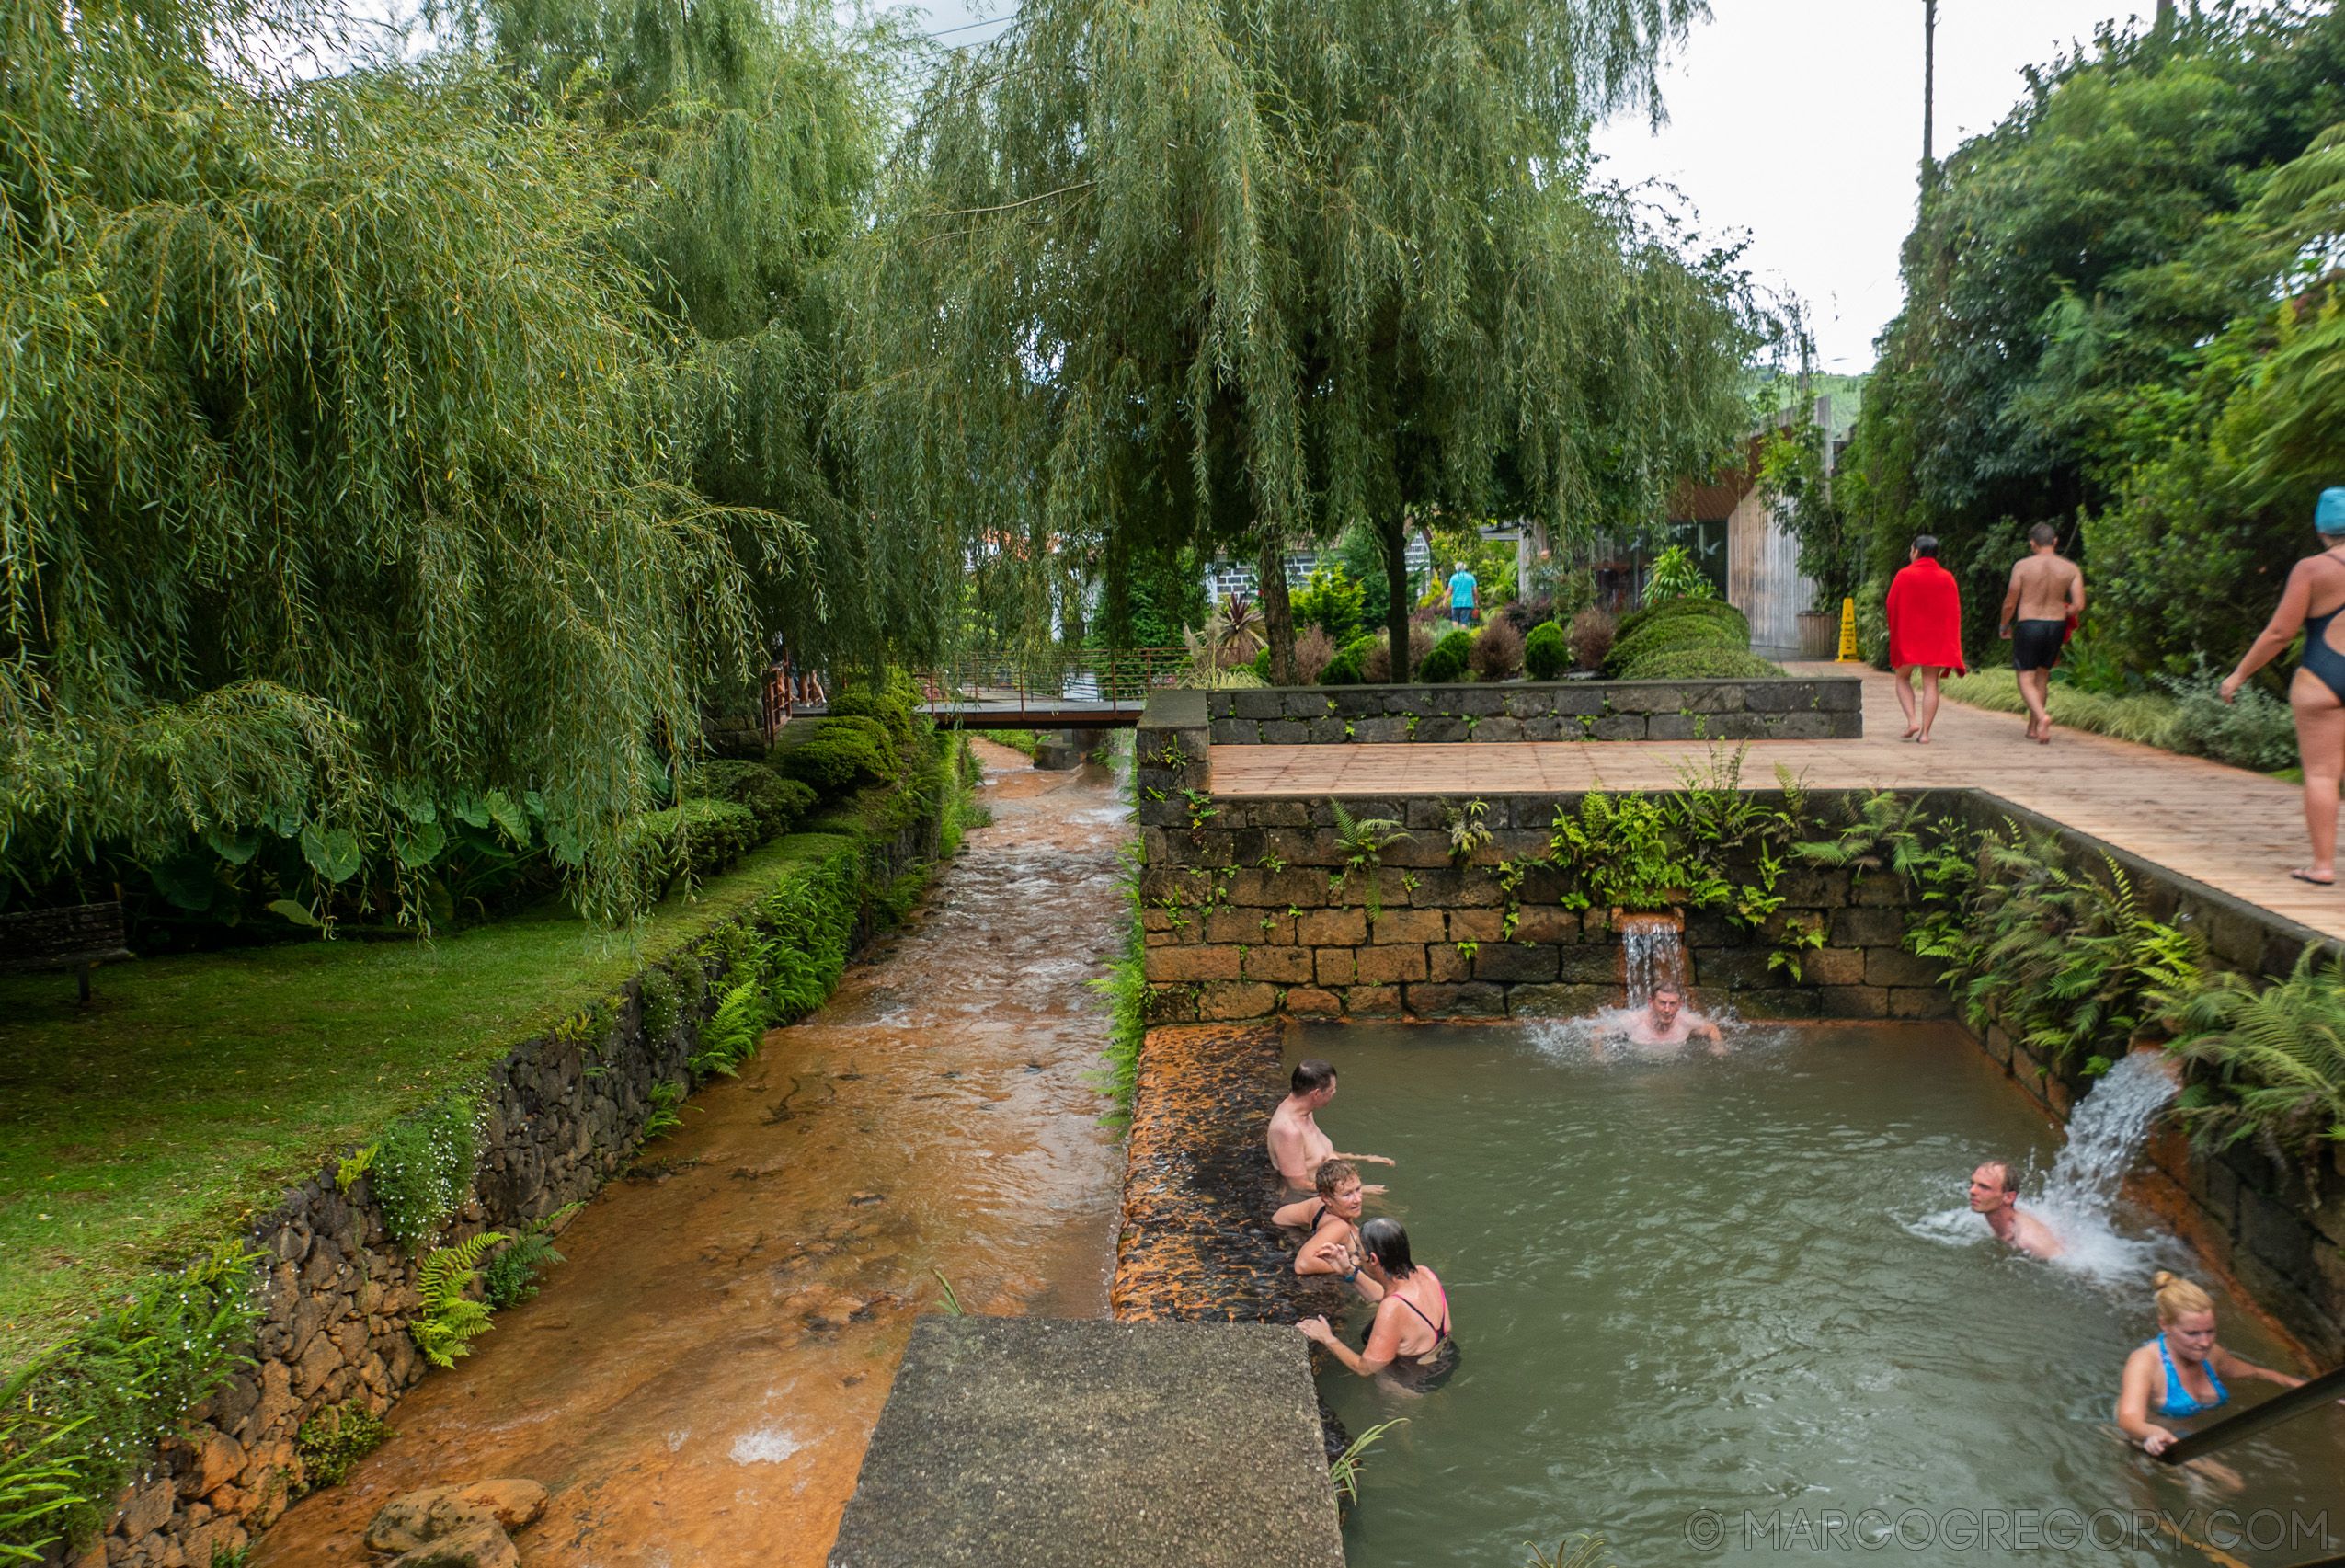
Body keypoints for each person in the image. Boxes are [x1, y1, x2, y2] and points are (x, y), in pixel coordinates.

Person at [2221, 486, 2345, 886]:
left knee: (2323, 775)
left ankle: (2322, 867)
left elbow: (2279, 633)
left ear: (2320, 528)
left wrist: (2239, 674)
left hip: (2322, 676)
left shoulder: (2311, 569)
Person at [2115, 1272, 2305, 1455]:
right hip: (2151, 1439)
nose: (2205, 1343)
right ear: (2164, 1325)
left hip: (2192, 1436)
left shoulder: (2213, 1355)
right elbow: (2129, 1419)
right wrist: (2152, 1433)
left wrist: (2302, 1386)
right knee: (2230, 1482)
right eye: (2192, 1333)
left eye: (2210, 1331)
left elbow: (2257, 1373)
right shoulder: (2144, 1362)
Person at [1298, 1219, 1454, 1384]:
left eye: (1358, 1251)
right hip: (1443, 1360)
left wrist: (1326, 1337)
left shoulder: (1393, 1307)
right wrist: (1348, 1270)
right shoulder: (1425, 1274)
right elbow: (1386, 1295)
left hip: (1408, 1383)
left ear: (1373, 1259)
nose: (1357, 1255)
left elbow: (1365, 1368)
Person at [1997, 522, 2087, 745]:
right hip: (2055, 626)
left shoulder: (2022, 566)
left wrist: (2004, 625)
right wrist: (2062, 612)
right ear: (2055, 542)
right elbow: (2078, 605)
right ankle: (2033, 729)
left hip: (2030, 625)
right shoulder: (2070, 568)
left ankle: (2042, 717)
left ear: (2033, 543)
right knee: (2042, 677)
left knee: (2025, 679)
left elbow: (2011, 600)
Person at [1885, 535, 1967, 744]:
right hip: (1936, 638)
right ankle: (1925, 733)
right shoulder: (1947, 577)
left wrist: (1896, 629)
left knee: (1902, 678)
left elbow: (1891, 605)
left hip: (1909, 635)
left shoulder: (1904, 575)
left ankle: (1912, 721)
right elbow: (1954, 611)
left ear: (1915, 551)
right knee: (1931, 683)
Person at [1266, 1059, 1392, 1195]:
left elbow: (1318, 1153)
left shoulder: (1304, 1111)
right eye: (1331, 1089)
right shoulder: (1289, 1132)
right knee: (1394, 1211)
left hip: (1337, 1186)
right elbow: (1298, 1185)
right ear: (1316, 1094)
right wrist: (1354, 1190)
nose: (1335, 1092)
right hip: (1315, 1197)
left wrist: (1363, 1157)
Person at [1275, 1159, 1367, 1280]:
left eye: (1358, 1189)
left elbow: (1279, 1217)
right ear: (1326, 1198)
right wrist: (1348, 1266)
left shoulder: (1318, 1206)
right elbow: (1302, 1265)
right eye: (1347, 1194)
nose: (1357, 1199)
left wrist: (1301, 1239)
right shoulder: (1339, 1227)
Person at [1967, 1160, 2063, 1259]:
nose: (1972, 1190)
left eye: (1984, 1187)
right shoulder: (1999, 1223)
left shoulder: (2029, 1240)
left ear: (2009, 1198)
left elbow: (2066, 1265)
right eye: (1972, 1183)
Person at [1600, 982, 1722, 1055]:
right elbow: (1598, 1032)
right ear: (1651, 1002)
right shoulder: (1633, 1021)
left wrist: (1717, 1046)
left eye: (1673, 1004)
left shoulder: (1686, 1022)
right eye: (1662, 1003)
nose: (1667, 1010)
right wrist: (1599, 1054)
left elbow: (1712, 1028)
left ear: (1680, 1004)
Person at [1447, 560, 1479, 626]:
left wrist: (1445, 599)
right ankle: (1463, 633)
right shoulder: (1470, 577)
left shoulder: (1453, 577)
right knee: (1464, 620)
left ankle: (1456, 634)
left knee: (1455, 619)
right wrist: (1476, 599)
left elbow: (1450, 589)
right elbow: (1475, 589)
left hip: (1456, 602)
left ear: (1456, 568)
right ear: (1464, 568)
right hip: (1467, 602)